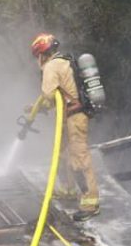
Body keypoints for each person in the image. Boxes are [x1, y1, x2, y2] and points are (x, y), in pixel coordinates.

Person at [28, 33, 100, 221]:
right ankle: (67, 188)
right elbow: (62, 95)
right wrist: (36, 108)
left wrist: (41, 105)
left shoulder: (51, 66)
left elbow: (50, 94)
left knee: (79, 158)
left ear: (41, 54)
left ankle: (90, 204)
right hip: (69, 117)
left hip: (74, 118)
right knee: (61, 153)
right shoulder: (64, 61)